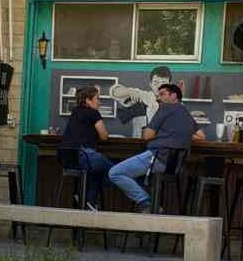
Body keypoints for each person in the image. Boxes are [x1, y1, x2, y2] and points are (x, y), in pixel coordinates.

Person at [108, 83, 205, 214]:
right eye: (159, 95)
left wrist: (164, 132)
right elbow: (201, 136)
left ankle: (147, 204)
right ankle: (146, 216)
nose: (159, 98)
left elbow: (147, 135)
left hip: (157, 158)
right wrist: (177, 133)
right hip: (175, 166)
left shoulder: (164, 109)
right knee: (139, 178)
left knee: (115, 173)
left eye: (163, 94)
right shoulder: (186, 113)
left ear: (174, 96)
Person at [60, 86, 113, 209]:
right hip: (84, 156)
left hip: (67, 158)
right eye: (97, 98)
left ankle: (86, 199)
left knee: (97, 171)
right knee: (114, 171)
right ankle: (88, 199)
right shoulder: (93, 112)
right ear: (88, 100)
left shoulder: (75, 111)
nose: (99, 102)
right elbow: (104, 136)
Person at [109, 66, 173, 139]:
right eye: (156, 83)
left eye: (164, 83)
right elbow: (114, 92)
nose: (159, 87)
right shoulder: (143, 96)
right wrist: (129, 92)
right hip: (140, 145)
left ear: (170, 84)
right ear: (151, 84)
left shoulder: (176, 104)